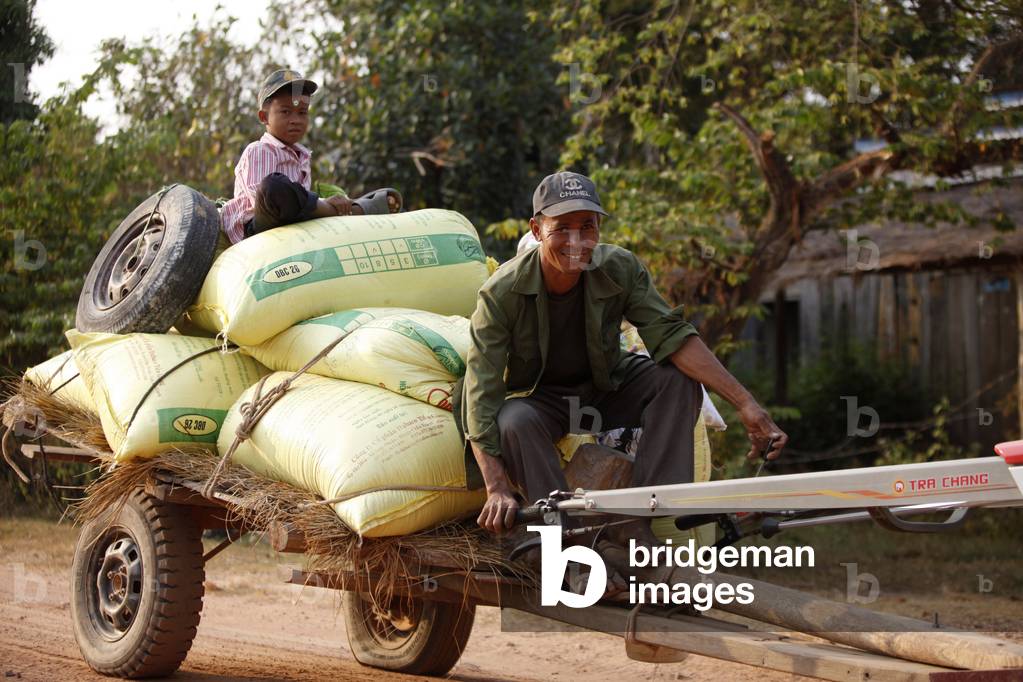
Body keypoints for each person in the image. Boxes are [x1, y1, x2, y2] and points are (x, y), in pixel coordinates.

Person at [454, 172, 788, 547]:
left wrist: (746, 404)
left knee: (676, 379)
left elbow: (673, 336)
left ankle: (641, 512)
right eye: (562, 228)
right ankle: (566, 541)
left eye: (588, 227)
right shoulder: (502, 293)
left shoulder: (619, 268)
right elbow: (479, 390)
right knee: (513, 420)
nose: (577, 241)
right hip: (541, 399)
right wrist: (496, 487)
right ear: (536, 229)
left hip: (604, 386)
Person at [219, 69, 400, 244]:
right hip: (258, 225)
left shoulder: (302, 156)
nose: (295, 120)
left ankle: (341, 212)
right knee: (273, 186)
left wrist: (315, 203)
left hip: (294, 222)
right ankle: (347, 211)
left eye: (302, 112)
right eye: (285, 112)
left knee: (295, 199)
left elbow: (301, 204)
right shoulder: (260, 150)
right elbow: (261, 197)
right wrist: (323, 203)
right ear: (264, 117)